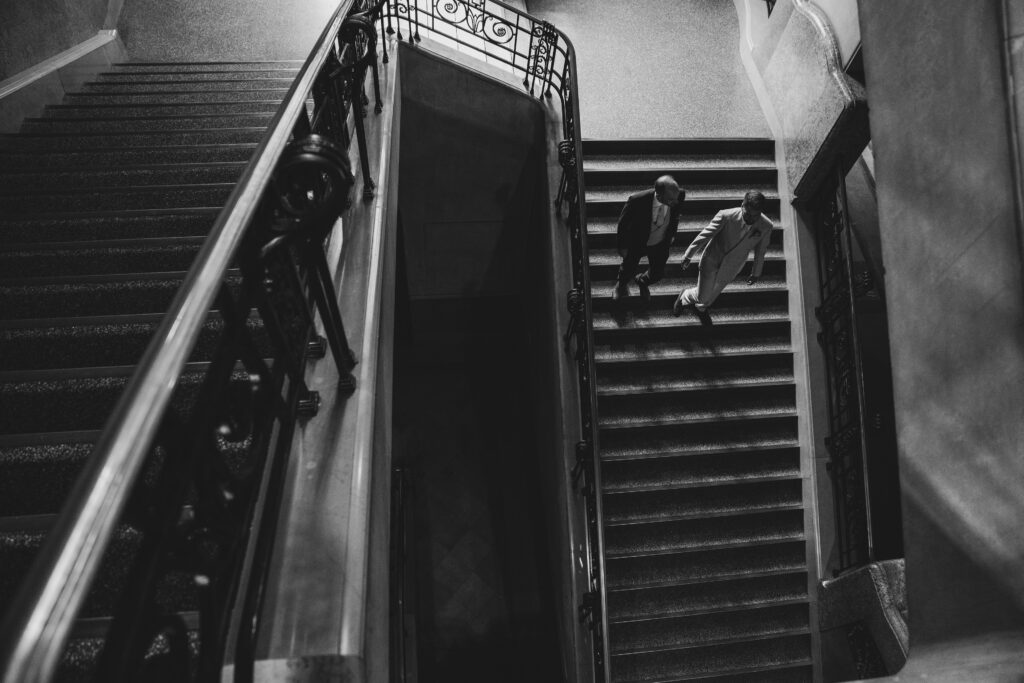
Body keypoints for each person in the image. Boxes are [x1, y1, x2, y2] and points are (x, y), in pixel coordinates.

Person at [673, 190, 773, 325]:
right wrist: (689, 254)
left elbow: (760, 251)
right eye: (748, 214)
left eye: (755, 216)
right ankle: (685, 296)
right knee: (703, 295)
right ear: (742, 205)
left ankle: (701, 309)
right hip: (711, 260)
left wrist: (756, 273)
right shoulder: (726, 215)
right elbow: (705, 234)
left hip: (733, 266)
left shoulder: (766, 226)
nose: (751, 219)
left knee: (713, 294)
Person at [613, 175, 685, 302]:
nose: (676, 202)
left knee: (657, 273)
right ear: (659, 195)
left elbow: (676, 215)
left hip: (661, 243)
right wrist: (622, 246)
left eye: (676, 198)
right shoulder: (637, 200)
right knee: (628, 267)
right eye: (671, 199)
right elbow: (623, 223)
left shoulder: (678, 196)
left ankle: (642, 281)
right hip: (638, 241)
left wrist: (672, 234)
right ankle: (621, 285)